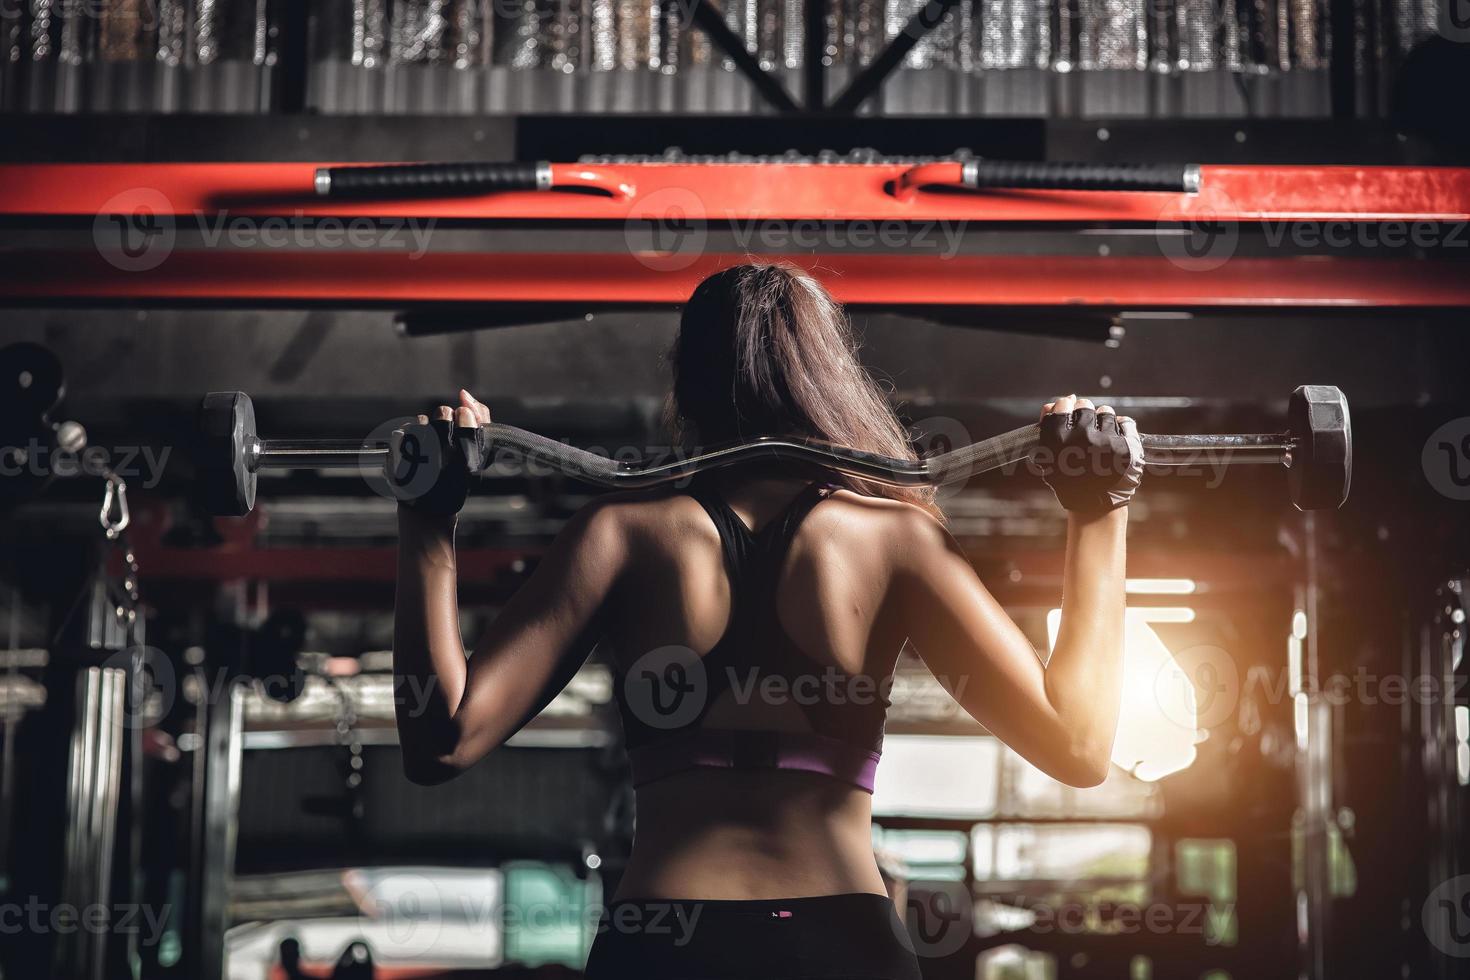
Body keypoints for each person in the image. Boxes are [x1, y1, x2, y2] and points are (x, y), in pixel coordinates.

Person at [392, 263, 1141, 979]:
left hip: (668, 945)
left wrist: (430, 516)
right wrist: (1099, 510)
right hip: (843, 945)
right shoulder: (896, 539)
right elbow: (1077, 747)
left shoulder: (621, 533)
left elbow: (443, 742)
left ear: (690, 379)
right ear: (828, 371)